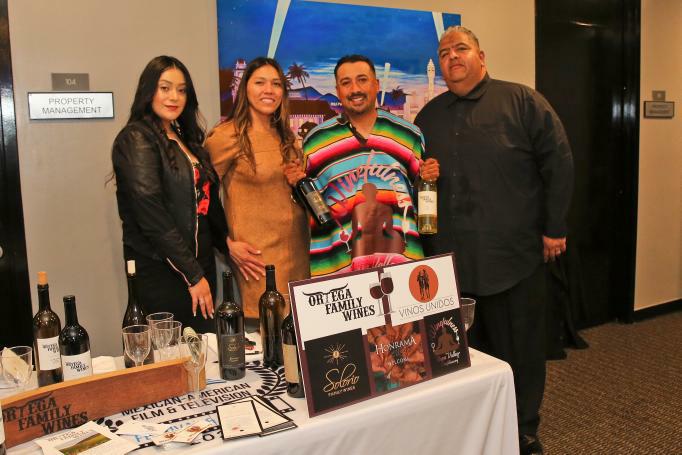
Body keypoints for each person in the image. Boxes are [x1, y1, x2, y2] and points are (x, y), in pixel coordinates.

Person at [414, 26, 574, 455]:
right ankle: (476, 431)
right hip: (453, 262)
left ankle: (523, 430)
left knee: (521, 350)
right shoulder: (428, 117)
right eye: (444, 53)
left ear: (481, 56)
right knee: (464, 354)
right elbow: (414, 179)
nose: (452, 57)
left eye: (460, 49)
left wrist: (555, 228)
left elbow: (559, 162)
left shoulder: (522, 101)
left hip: (514, 258)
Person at [284, 54, 439, 277]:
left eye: (362, 80)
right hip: (339, 267)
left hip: (399, 264)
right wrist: (295, 183)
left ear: (376, 84)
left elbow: (420, 198)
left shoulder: (409, 134)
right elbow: (310, 204)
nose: (355, 89)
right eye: (346, 83)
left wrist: (427, 177)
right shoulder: (316, 140)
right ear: (338, 91)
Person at [112, 56, 229, 333]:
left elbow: (205, 205)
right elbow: (152, 215)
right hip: (164, 271)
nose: (174, 97)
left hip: (198, 267)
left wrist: (228, 244)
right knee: (169, 351)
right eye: (165, 88)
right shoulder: (136, 138)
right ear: (148, 90)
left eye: (181, 90)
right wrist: (192, 274)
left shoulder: (186, 139)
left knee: (203, 348)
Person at [205, 57, 309, 318]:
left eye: (276, 84)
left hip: (299, 253)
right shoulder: (227, 136)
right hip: (258, 261)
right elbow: (200, 195)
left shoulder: (286, 135)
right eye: (260, 82)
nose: (268, 90)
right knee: (267, 335)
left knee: (299, 334)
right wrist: (226, 243)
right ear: (245, 88)